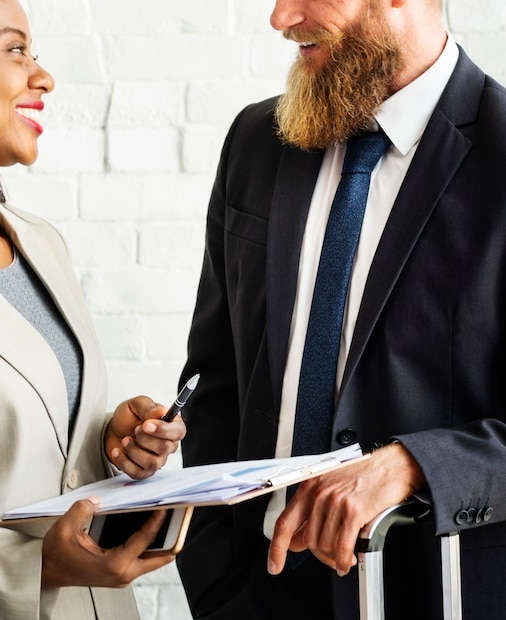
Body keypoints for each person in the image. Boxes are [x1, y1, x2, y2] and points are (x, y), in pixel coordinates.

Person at [176, 0, 506, 618]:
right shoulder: (255, 142)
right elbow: (214, 378)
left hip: (438, 592)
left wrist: (417, 464)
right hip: (255, 593)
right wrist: (216, 576)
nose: (280, 17)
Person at [0, 0, 186, 618]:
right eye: (15, 49)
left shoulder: (40, 243)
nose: (42, 75)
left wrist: (108, 441)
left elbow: (27, 440)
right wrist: (33, 564)